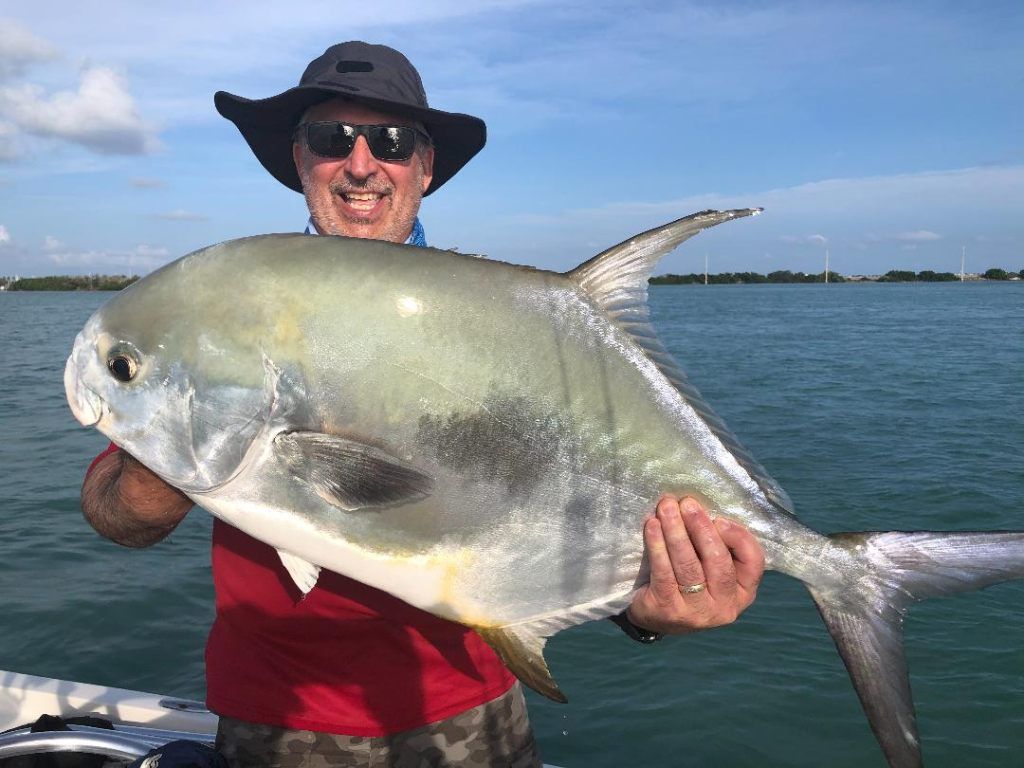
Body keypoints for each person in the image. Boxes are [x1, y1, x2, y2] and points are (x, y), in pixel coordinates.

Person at [81, 42, 765, 767]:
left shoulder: (505, 324)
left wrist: (651, 607)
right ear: (299, 158)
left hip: (472, 711)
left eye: (392, 141)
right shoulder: (230, 314)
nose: (361, 163)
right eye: (332, 138)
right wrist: (178, 437)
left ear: (425, 166)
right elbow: (116, 518)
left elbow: (548, 506)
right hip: (279, 715)